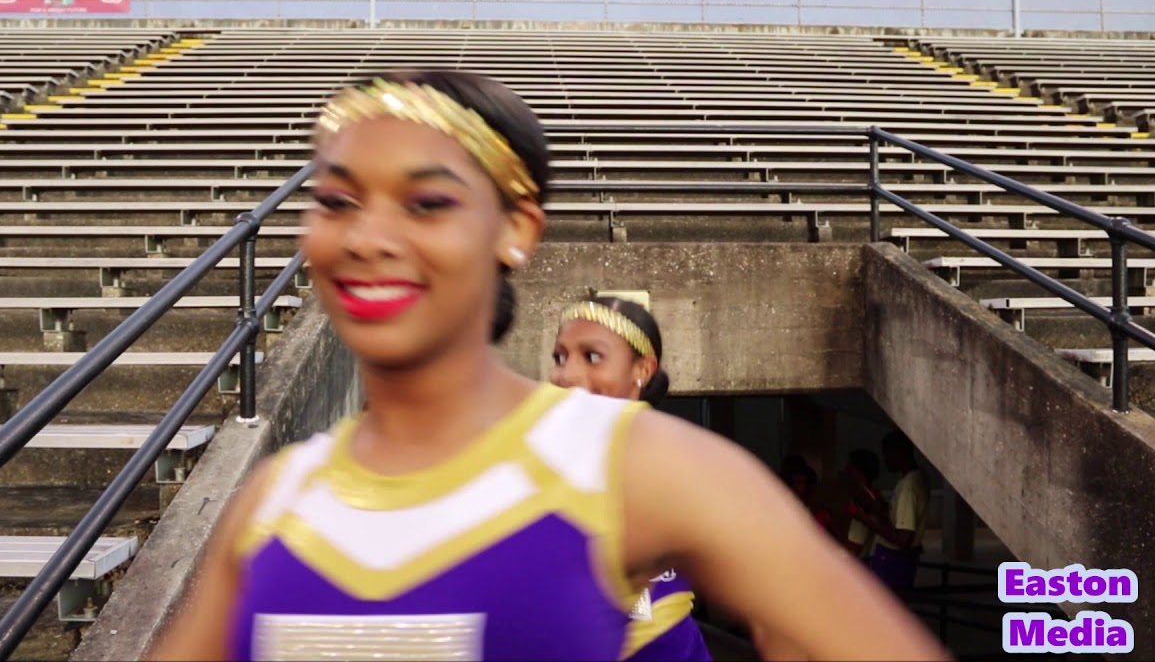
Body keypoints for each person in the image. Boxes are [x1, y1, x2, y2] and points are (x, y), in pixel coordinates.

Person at [148, 70, 949, 661]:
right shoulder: (275, 500)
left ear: (516, 230)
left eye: (427, 203)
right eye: (337, 201)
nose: (367, 238)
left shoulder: (647, 471)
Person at [550, 295, 710, 661]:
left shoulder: (682, 463)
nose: (566, 375)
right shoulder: (535, 460)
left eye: (593, 357)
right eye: (560, 357)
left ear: (643, 369)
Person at [849, 431, 930, 590]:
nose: (885, 461)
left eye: (887, 455)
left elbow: (903, 538)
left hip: (893, 559)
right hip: (900, 558)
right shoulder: (916, 478)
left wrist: (864, 519)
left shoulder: (908, 487)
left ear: (898, 453)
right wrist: (882, 508)